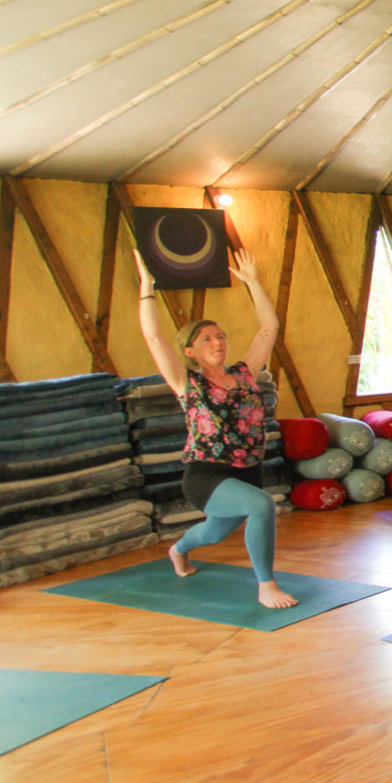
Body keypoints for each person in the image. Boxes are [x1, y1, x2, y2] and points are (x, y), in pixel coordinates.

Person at [134, 245, 295, 609]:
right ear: (190, 351)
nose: (217, 342)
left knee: (214, 532)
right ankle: (266, 586)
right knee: (261, 505)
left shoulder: (245, 373)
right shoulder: (187, 383)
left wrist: (253, 282)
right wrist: (147, 287)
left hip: (247, 472)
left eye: (220, 336)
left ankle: (178, 549)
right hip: (206, 474)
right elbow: (154, 338)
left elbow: (269, 327)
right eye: (206, 338)